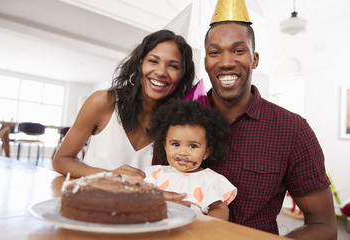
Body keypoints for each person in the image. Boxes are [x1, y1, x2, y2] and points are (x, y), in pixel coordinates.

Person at [153, 0, 338, 239]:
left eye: (238, 50)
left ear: (255, 59)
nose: (226, 62)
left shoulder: (292, 130)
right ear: (206, 61)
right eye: (214, 52)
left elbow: (324, 226)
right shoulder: (176, 120)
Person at [52, 29, 194, 178]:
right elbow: (61, 160)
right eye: (153, 61)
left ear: (182, 75)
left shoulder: (179, 123)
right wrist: (110, 176)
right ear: (140, 64)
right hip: (92, 198)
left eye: (173, 66)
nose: (161, 72)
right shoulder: (103, 102)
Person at [144, 99, 237, 220]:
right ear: (165, 146)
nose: (183, 152)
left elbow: (220, 209)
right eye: (175, 144)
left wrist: (205, 227)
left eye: (193, 146)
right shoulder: (156, 174)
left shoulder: (210, 180)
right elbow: (140, 199)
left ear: (206, 152)